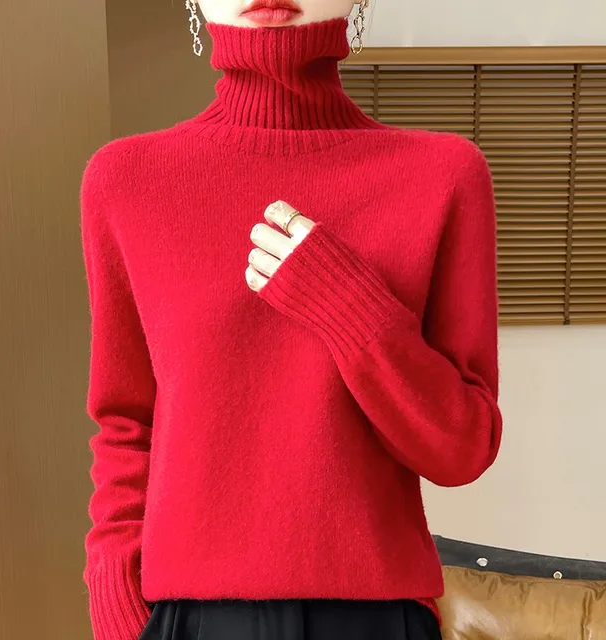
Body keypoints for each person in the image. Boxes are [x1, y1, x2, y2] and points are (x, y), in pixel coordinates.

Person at [80, 0, 503, 638]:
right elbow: (126, 422)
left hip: (374, 621)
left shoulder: (443, 174)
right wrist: (115, 598)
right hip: (190, 619)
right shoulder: (126, 180)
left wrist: (349, 308)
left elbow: (461, 449)